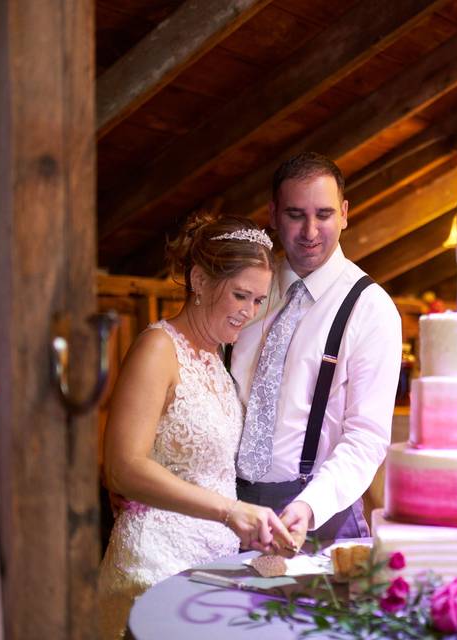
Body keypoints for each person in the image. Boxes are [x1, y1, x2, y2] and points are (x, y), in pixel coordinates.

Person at [97, 214, 295, 639]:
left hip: (210, 570)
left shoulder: (216, 362)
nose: (249, 312)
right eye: (241, 295)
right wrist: (230, 511)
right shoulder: (157, 349)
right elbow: (122, 467)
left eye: (259, 300)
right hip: (152, 567)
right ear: (200, 280)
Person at [230, 152, 402, 546]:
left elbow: (367, 437)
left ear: (344, 213)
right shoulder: (246, 290)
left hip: (318, 514)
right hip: (228, 509)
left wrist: (309, 505)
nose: (310, 231)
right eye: (295, 214)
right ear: (273, 215)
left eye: (323, 214)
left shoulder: (370, 307)